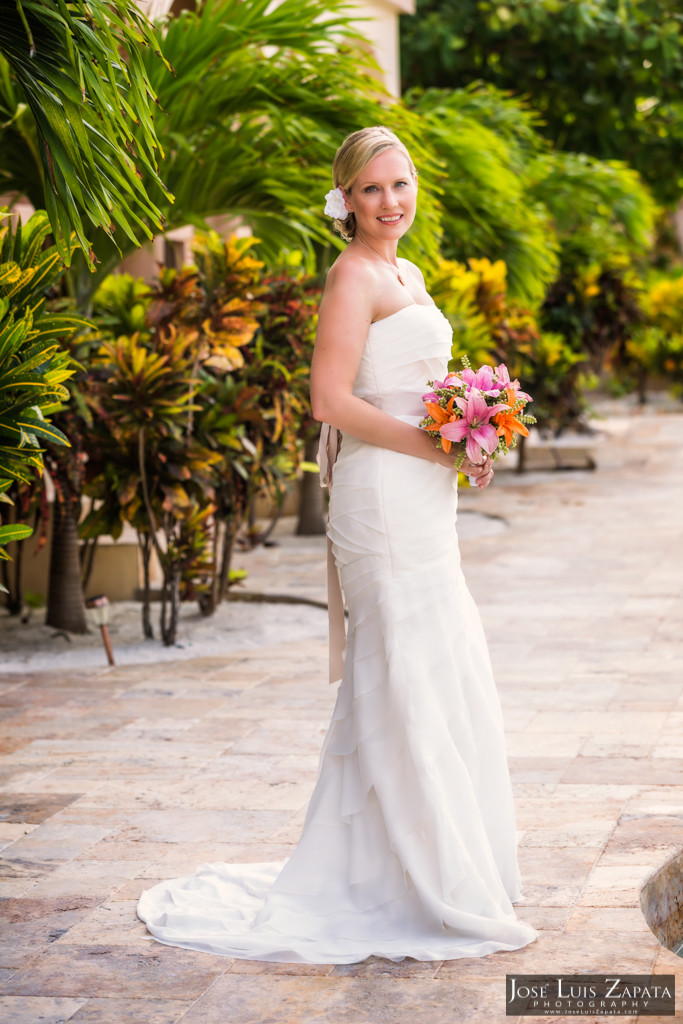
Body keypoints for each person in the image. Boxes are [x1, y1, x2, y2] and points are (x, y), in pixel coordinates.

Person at [137, 126, 537, 964]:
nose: (390, 202)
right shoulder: (351, 276)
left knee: (437, 658)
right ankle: (405, 878)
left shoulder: (408, 273)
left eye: (400, 184)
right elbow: (329, 401)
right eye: (371, 190)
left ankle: (434, 861)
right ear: (345, 200)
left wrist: (470, 433)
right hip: (382, 499)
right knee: (400, 666)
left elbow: (419, 390)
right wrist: (434, 446)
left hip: (424, 496)